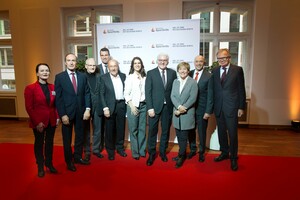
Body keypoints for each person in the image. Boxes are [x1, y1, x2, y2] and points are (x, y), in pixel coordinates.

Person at [55, 53, 91, 172]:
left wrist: (87, 109)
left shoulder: (82, 76)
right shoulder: (59, 77)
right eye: (69, 60)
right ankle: (69, 161)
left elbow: (87, 93)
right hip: (67, 114)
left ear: (76, 62)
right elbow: (58, 98)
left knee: (80, 137)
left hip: (81, 112)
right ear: (65, 62)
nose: (71, 62)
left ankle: (77, 157)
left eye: (73, 60)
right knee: (67, 139)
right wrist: (62, 114)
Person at [212, 48, 246, 171]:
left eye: (224, 58)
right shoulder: (215, 70)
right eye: (219, 58)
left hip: (232, 107)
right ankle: (224, 153)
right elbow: (214, 89)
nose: (221, 60)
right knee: (221, 132)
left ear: (229, 58)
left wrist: (241, 107)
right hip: (219, 107)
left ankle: (233, 158)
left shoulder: (237, 70)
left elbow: (241, 89)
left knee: (232, 133)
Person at [24, 63, 59, 177]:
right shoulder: (30, 88)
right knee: (39, 143)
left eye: (47, 70)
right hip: (38, 121)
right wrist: (37, 122)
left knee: (49, 143)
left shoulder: (53, 87)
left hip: (52, 120)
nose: (45, 72)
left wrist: (58, 117)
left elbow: (56, 105)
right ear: (37, 73)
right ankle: (40, 166)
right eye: (42, 70)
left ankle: (49, 164)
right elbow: (29, 107)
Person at [145, 53, 177, 166]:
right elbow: (147, 92)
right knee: (152, 132)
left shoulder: (173, 73)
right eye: (160, 60)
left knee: (165, 131)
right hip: (154, 108)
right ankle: (152, 154)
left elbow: (175, 91)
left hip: (167, 107)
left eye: (164, 60)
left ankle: (163, 152)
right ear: (157, 61)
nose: (162, 62)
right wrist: (150, 108)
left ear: (167, 61)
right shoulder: (150, 73)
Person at [170, 62, 198, 168]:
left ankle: (181, 156)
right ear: (178, 71)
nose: (182, 71)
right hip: (176, 114)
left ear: (188, 70)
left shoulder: (193, 82)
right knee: (179, 135)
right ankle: (181, 154)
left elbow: (193, 98)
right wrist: (178, 107)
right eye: (180, 69)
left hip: (187, 114)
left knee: (183, 137)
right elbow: (172, 96)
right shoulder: (175, 82)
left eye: (185, 69)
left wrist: (182, 108)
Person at [98, 59, 127, 160]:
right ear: (108, 68)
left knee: (121, 128)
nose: (114, 68)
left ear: (118, 66)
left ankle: (120, 148)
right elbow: (101, 94)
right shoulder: (103, 78)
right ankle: (110, 151)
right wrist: (105, 108)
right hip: (109, 107)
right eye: (111, 66)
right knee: (109, 130)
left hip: (121, 105)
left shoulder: (123, 76)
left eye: (115, 66)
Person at [188, 55, 213, 162]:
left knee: (202, 131)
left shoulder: (209, 76)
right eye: (196, 61)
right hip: (189, 109)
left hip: (202, 109)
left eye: (201, 61)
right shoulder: (189, 73)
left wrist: (208, 111)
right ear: (194, 62)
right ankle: (193, 149)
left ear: (204, 62)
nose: (198, 63)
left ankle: (201, 152)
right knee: (191, 130)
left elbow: (211, 95)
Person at [124, 57, 147, 160]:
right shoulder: (129, 78)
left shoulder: (145, 77)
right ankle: (135, 152)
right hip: (133, 106)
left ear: (141, 65)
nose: (137, 65)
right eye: (135, 63)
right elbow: (126, 93)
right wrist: (132, 106)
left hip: (144, 105)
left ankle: (142, 150)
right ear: (132, 65)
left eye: (139, 63)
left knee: (142, 129)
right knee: (133, 130)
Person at [83, 58, 104, 161]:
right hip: (86, 107)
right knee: (86, 130)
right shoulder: (82, 77)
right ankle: (87, 150)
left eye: (93, 65)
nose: (92, 67)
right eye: (90, 65)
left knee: (97, 129)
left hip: (98, 107)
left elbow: (101, 92)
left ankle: (96, 149)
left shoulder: (99, 76)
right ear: (86, 66)